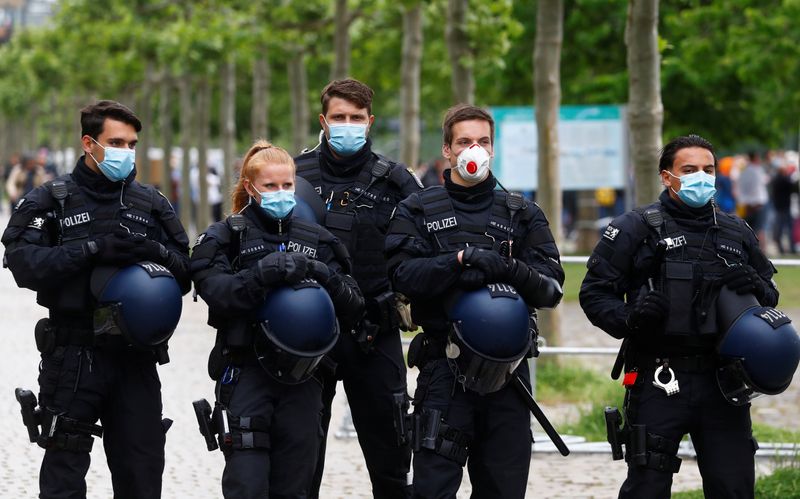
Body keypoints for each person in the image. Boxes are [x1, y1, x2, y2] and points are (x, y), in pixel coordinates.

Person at [2, 100, 191, 498]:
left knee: (142, 471)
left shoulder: (152, 204)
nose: (126, 152)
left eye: (132, 143)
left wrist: (152, 252)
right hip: (73, 355)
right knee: (64, 476)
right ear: (89, 143)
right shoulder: (50, 200)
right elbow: (22, 263)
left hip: (135, 359)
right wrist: (91, 250)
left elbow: (186, 272)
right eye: (116, 142)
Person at [579, 134, 779, 498]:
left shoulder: (737, 232)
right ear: (666, 176)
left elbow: (770, 296)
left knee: (734, 486)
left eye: (708, 169)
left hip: (724, 383)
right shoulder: (633, 228)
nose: (700, 177)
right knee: (647, 487)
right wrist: (629, 317)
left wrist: (758, 286)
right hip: (659, 377)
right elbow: (594, 294)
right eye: (689, 170)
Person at [385, 103, 565, 498]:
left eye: (483, 142)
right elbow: (402, 276)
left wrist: (507, 268)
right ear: (447, 150)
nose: (474, 150)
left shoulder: (522, 213)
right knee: (432, 488)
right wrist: (458, 261)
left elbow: (552, 288)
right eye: (464, 142)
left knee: (504, 488)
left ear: (493, 150)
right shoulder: (415, 209)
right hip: (443, 373)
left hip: (510, 375)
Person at [190, 140, 364, 498]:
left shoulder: (320, 240)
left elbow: (354, 305)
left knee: (294, 487)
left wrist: (323, 274)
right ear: (250, 187)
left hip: (304, 382)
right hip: (246, 375)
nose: (280, 193)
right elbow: (215, 292)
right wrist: (260, 276)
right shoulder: (226, 237)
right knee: (247, 486)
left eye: (287, 185)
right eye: (270, 186)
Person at [294, 78, 422, 498]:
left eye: (355, 118)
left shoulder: (397, 181)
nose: (347, 125)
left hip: (374, 332)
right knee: (300, 463)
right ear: (323, 120)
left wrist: (399, 300)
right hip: (308, 333)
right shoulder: (292, 177)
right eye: (338, 117)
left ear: (369, 121)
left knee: (391, 462)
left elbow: (422, 254)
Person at [736, 151, 769, 243]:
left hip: (747, 205)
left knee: (748, 230)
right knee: (760, 230)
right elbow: (762, 183)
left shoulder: (744, 171)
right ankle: (761, 253)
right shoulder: (757, 170)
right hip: (758, 204)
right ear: (755, 158)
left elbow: (740, 188)